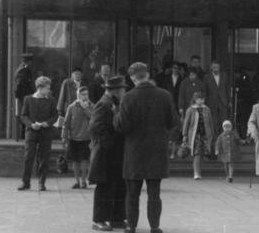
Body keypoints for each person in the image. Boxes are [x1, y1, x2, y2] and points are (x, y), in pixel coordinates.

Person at [114, 62, 179, 233]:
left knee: (132, 193)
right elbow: (173, 122)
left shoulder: (128, 97)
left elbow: (121, 127)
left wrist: (115, 114)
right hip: (157, 150)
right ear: (148, 75)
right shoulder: (164, 95)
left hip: (134, 151)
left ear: (132, 77)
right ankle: (155, 226)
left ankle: (131, 226)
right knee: (154, 193)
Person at [89, 75, 128, 232]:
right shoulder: (104, 104)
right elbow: (95, 128)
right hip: (106, 154)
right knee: (104, 187)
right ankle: (99, 219)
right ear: (116, 90)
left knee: (118, 186)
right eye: (123, 88)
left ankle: (117, 218)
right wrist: (109, 144)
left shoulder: (114, 103)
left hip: (116, 154)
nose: (124, 91)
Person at [18, 76, 58, 191]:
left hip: (45, 132)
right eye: (47, 88)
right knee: (28, 156)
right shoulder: (28, 99)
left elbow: (55, 116)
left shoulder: (51, 100)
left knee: (44, 157)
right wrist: (30, 124)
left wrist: (48, 123)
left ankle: (42, 183)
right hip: (32, 132)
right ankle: (26, 182)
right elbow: (23, 115)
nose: (48, 90)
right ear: (39, 88)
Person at [62, 85, 94, 189]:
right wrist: (64, 137)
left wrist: (85, 108)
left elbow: (94, 118)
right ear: (78, 95)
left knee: (84, 159)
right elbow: (66, 123)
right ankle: (77, 181)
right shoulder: (71, 107)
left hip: (86, 137)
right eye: (83, 94)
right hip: (74, 137)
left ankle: (84, 180)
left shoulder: (91, 105)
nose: (85, 96)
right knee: (75, 160)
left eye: (87, 94)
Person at [181, 91, 214, 180]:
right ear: (195, 100)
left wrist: (212, 134)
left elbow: (210, 122)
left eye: (202, 99)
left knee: (202, 154)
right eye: (199, 99)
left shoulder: (207, 109)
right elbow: (186, 123)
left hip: (205, 134)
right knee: (197, 153)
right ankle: (196, 173)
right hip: (194, 135)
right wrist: (184, 134)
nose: (201, 101)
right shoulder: (190, 109)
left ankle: (199, 171)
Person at [158, 62, 183, 159]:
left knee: (176, 124)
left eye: (177, 68)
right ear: (172, 69)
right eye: (174, 68)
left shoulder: (181, 79)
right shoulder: (166, 79)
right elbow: (163, 90)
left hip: (177, 103)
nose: (175, 69)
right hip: (168, 102)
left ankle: (174, 142)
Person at [204, 60, 231, 140]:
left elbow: (227, 89)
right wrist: (205, 102)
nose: (216, 69)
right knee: (214, 120)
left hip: (223, 101)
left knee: (224, 119)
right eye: (214, 67)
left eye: (217, 67)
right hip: (212, 101)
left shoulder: (224, 76)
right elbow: (205, 90)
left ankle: (224, 137)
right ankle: (215, 138)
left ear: (219, 68)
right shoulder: (207, 77)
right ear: (211, 68)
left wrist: (229, 101)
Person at [13, 52, 35, 138]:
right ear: (27, 62)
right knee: (25, 114)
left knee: (25, 114)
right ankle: (24, 135)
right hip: (24, 96)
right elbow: (19, 84)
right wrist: (17, 96)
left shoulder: (23, 68)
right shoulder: (23, 70)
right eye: (30, 61)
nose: (31, 63)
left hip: (25, 95)